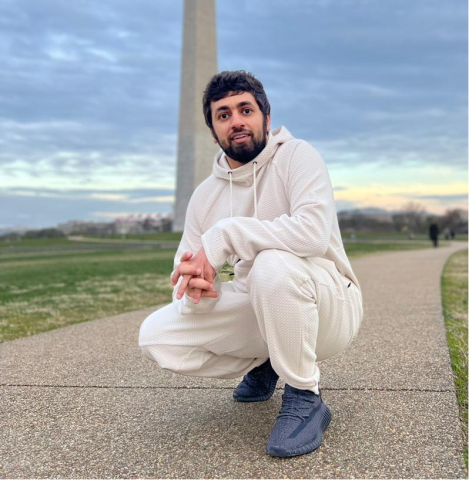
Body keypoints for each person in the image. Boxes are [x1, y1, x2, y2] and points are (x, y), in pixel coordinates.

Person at [139, 71, 363, 458]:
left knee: (271, 266)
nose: (236, 121)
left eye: (246, 110)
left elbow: (312, 234)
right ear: (213, 133)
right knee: (155, 337)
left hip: (329, 304)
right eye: (223, 115)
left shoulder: (298, 156)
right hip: (263, 305)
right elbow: (188, 271)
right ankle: (269, 360)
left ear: (267, 118)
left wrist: (226, 235)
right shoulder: (204, 197)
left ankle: (305, 395)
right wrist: (197, 292)